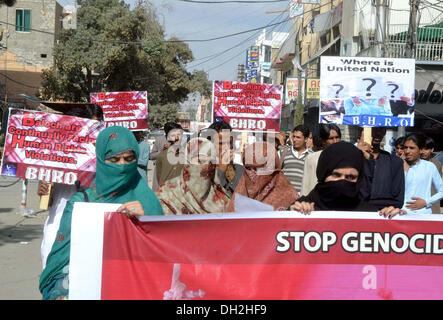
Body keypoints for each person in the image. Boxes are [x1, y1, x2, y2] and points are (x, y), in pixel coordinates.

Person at [39, 126, 163, 300]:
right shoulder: (81, 204)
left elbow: (163, 256)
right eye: (114, 159)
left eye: (129, 159)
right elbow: (59, 264)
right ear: (102, 160)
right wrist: (60, 293)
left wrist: (145, 223)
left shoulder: (148, 201)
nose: (122, 166)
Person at [38, 106, 104, 270]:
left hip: (91, 227)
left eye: (94, 126)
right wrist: (44, 190)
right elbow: (46, 201)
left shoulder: (105, 156)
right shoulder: (54, 155)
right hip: (58, 226)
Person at [290, 141, 377, 214]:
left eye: (350, 177)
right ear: (323, 174)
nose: (342, 181)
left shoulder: (368, 213)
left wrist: (388, 219)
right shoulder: (301, 207)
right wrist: (291, 216)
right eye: (336, 175)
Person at [155, 137, 230, 215]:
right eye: (200, 161)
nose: (206, 166)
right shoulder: (167, 193)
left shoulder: (220, 195)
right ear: (187, 161)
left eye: (211, 162)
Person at [380, 133, 443, 218]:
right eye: (405, 147)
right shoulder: (397, 165)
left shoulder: (430, 166)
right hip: (398, 214)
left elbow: (441, 191)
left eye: (412, 148)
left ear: (420, 150)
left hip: (423, 215)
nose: (407, 151)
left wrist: (426, 202)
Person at [227, 141, 300, 211]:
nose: (252, 173)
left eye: (258, 168)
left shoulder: (288, 195)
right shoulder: (242, 191)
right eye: (248, 168)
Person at [356, 127, 405, 210]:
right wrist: (357, 154)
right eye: (374, 128)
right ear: (363, 131)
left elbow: (398, 200)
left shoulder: (394, 162)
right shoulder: (351, 158)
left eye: (382, 129)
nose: (378, 133)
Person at [204, 120, 244, 198]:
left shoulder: (240, 170)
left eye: (229, 143)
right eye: (221, 143)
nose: (227, 147)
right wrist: (221, 169)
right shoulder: (202, 171)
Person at [300, 124, 341, 196]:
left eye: (337, 137)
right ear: (323, 141)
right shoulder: (312, 158)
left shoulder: (345, 158)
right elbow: (305, 186)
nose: (335, 141)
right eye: (331, 138)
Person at [151, 123, 184, 191]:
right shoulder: (159, 140)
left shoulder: (182, 141)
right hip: (161, 171)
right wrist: (162, 151)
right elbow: (151, 156)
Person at [280, 125, 312, 193]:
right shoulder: (283, 151)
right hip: (284, 195)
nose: (294, 140)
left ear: (306, 139)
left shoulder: (311, 156)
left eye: (298, 137)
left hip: (301, 197)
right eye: (293, 136)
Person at [421, 135, 442, 213]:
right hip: (416, 204)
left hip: (433, 204)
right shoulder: (412, 164)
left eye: (426, 149)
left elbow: (439, 187)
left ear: (432, 149)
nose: (423, 152)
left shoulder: (437, 164)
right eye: (421, 148)